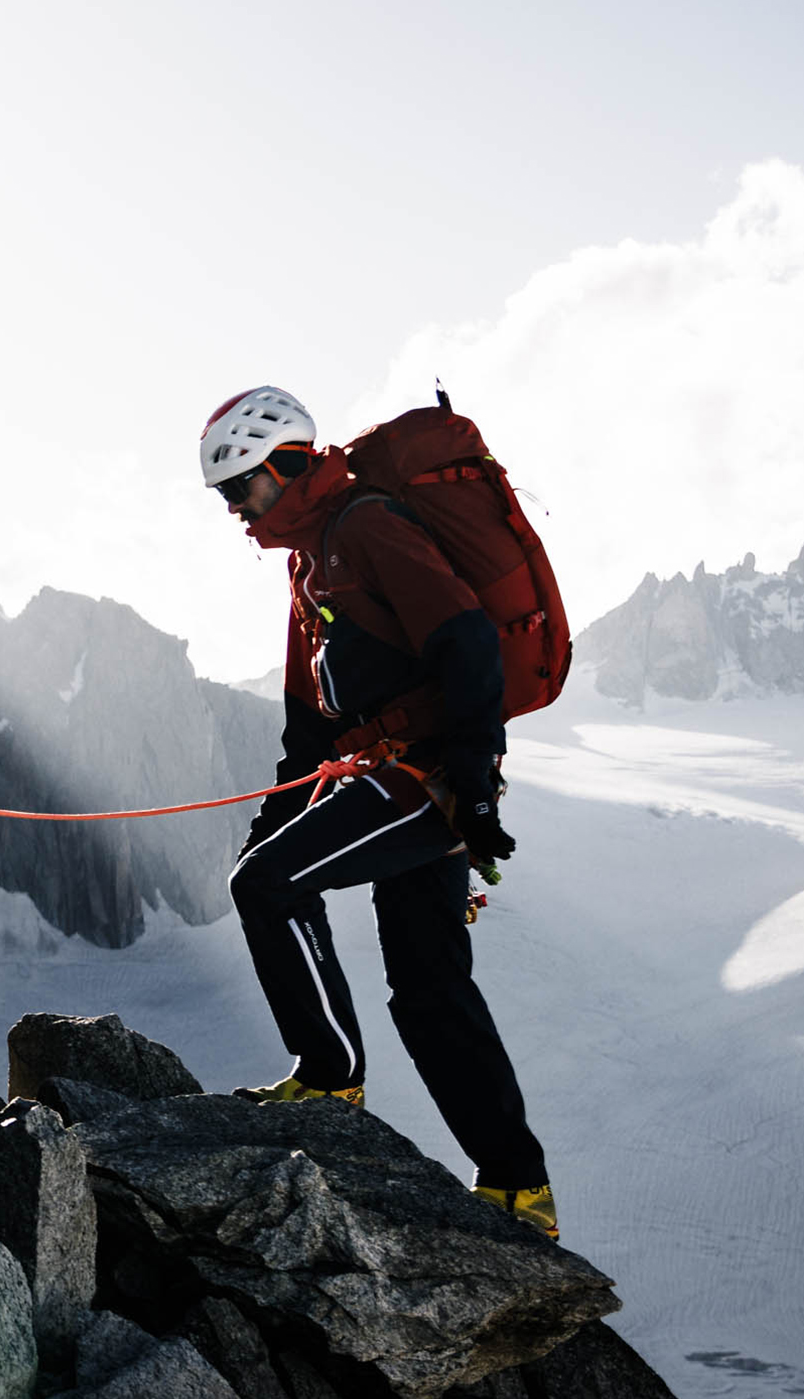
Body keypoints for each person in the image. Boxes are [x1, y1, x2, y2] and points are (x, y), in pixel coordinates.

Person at [195, 385, 558, 1237]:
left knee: (269, 890)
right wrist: (277, 815)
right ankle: (519, 1189)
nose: (234, 509)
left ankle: (329, 1076)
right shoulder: (310, 559)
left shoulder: (362, 528)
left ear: (284, 466)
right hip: (408, 772)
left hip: (426, 777)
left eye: (239, 487)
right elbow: (308, 719)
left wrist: (471, 778)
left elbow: (465, 638)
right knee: (430, 985)